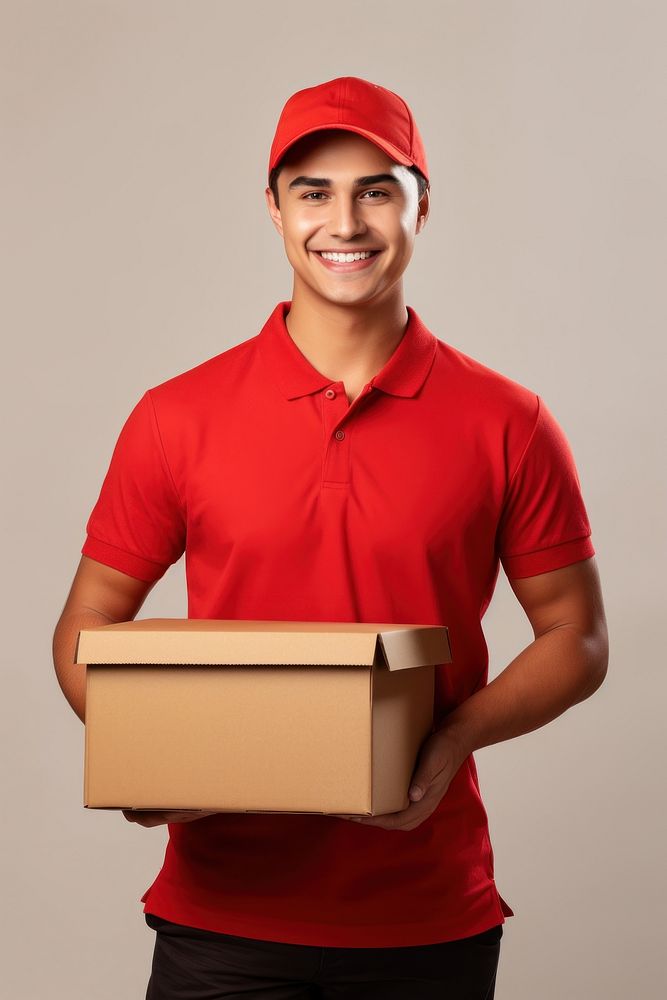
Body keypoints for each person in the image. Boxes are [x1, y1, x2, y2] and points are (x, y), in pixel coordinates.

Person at [53, 76, 609, 999]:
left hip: (425, 913)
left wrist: (451, 741)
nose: (343, 221)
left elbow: (578, 637)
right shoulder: (173, 417)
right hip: (220, 916)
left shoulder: (508, 421)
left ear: (421, 207)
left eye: (376, 190)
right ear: (272, 209)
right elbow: (86, 628)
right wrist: (143, 752)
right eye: (313, 191)